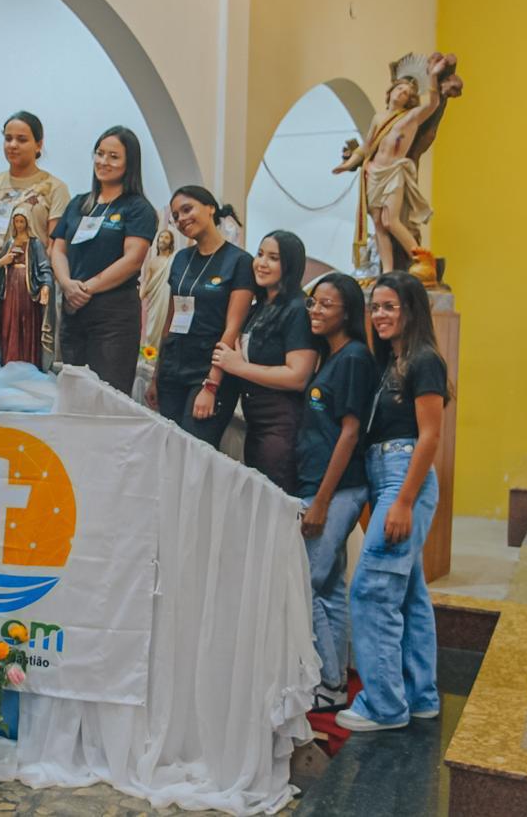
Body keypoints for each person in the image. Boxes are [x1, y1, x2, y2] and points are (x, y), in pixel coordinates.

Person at [336, 271, 447, 732]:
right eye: (375, 307)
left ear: (411, 310)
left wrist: (402, 501)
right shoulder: (392, 361)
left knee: (372, 590)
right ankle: (420, 695)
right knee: (409, 593)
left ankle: (384, 705)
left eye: (389, 307)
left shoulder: (424, 360)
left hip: (405, 477)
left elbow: (430, 436)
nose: (379, 315)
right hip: (389, 475)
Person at [296, 272, 379, 711]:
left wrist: (322, 502)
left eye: (326, 304)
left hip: (338, 489)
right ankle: (335, 681)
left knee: (305, 584)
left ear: (347, 312)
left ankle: (328, 681)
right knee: (328, 586)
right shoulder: (331, 356)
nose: (316, 310)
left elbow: (349, 433)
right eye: (313, 302)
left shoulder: (354, 359)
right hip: (319, 485)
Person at [51, 126, 157, 393]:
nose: (104, 161)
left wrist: (87, 288)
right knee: (73, 393)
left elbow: (133, 260)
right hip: (74, 309)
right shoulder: (78, 204)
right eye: (99, 154)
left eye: (113, 156)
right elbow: (57, 250)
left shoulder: (137, 208)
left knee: (108, 396)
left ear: (129, 163)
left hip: (114, 315)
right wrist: (67, 284)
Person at [146, 186, 255, 447]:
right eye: (176, 216)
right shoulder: (180, 259)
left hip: (208, 372)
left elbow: (232, 328)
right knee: (169, 449)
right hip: (173, 369)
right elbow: (170, 321)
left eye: (187, 209)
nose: (181, 219)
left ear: (210, 208)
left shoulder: (239, 261)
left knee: (194, 453)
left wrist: (211, 385)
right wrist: (156, 376)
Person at [211, 230, 316, 493]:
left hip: (282, 425)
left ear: (290, 265)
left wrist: (239, 367)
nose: (261, 263)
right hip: (255, 422)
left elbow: (297, 376)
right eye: (259, 254)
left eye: (273, 258)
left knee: (275, 503)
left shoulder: (297, 309)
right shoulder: (259, 307)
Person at [0, 112, 70, 369]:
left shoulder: (54, 187)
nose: (13, 145)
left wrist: (41, 285)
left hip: (29, 280)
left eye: (22, 139)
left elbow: (54, 245)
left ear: (38, 144)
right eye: (8, 138)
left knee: (27, 359)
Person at [332, 54, 447, 273]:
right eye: (399, 89)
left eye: (407, 93)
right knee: (378, 223)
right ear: (391, 92)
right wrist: (348, 165)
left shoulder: (410, 117)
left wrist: (433, 76)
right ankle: (387, 271)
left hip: (394, 172)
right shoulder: (378, 118)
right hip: (373, 172)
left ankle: (423, 261)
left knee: (390, 220)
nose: (402, 93)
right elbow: (367, 147)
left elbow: (433, 103)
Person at [0, 209, 53, 367]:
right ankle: (10, 361)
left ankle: (29, 362)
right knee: (9, 323)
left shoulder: (35, 243)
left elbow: (44, 266)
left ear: (27, 222)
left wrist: (46, 286)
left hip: (28, 290)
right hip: (10, 288)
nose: (19, 225)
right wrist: (2, 262)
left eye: (22, 221)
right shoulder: (9, 243)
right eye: (16, 221)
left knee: (27, 323)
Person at [140, 229, 176, 353]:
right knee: (150, 332)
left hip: (167, 303)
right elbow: (146, 281)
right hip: (155, 303)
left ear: (171, 242)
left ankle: (161, 360)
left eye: (166, 238)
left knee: (165, 332)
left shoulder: (173, 260)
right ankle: (148, 359)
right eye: (161, 237)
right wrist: (139, 296)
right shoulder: (152, 261)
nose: (163, 240)